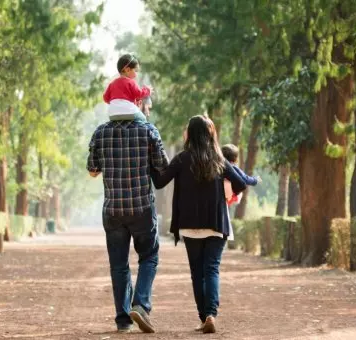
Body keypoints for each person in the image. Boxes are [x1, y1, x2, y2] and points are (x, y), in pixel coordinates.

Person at [151, 115, 247, 334]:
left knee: (197, 272)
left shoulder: (181, 159)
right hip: (216, 222)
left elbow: (159, 182)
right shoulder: (219, 159)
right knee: (211, 269)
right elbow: (241, 183)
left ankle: (204, 317)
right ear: (209, 133)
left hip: (190, 224)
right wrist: (225, 193)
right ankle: (211, 314)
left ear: (190, 134)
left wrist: (151, 161)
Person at [86, 103, 169, 333]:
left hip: (113, 210)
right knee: (149, 257)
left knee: (119, 265)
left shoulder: (101, 132)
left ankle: (123, 320)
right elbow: (163, 166)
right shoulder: (148, 130)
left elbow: (92, 170)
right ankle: (141, 304)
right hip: (142, 208)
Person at [103, 54, 152, 122]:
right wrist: (148, 90)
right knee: (143, 118)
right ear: (128, 70)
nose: (136, 74)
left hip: (112, 114)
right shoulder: (130, 82)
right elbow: (139, 94)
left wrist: (116, 103)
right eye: (135, 70)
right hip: (128, 112)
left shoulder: (112, 84)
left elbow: (105, 98)